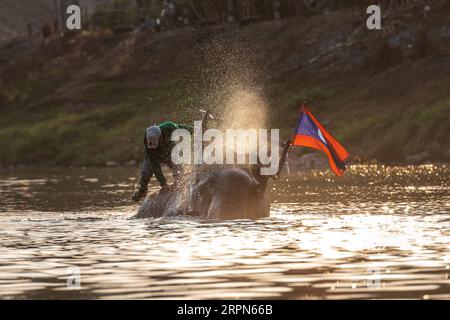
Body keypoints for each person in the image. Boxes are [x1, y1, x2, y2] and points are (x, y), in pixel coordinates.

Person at [132, 121, 193, 202]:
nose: (153, 144)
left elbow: (183, 130)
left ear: (160, 136)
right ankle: (142, 191)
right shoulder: (148, 141)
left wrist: (196, 130)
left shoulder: (169, 127)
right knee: (145, 172)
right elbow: (155, 166)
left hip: (169, 151)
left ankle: (179, 181)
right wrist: (163, 184)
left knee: (178, 167)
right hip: (154, 155)